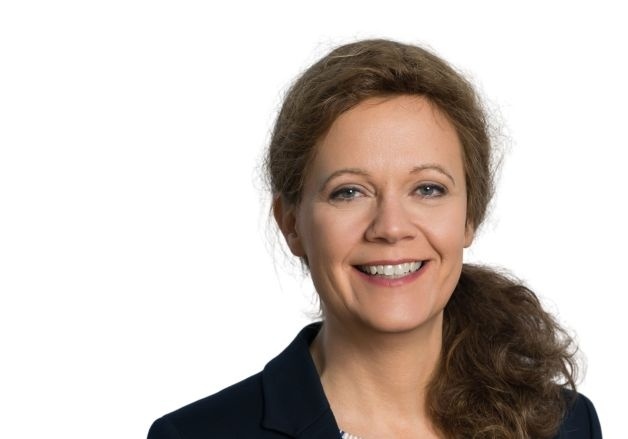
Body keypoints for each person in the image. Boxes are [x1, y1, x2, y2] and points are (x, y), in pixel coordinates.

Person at [148, 39, 601, 439]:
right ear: (291, 223)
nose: (391, 227)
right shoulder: (193, 436)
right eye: (349, 192)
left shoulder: (565, 425)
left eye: (428, 189)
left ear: (470, 216)